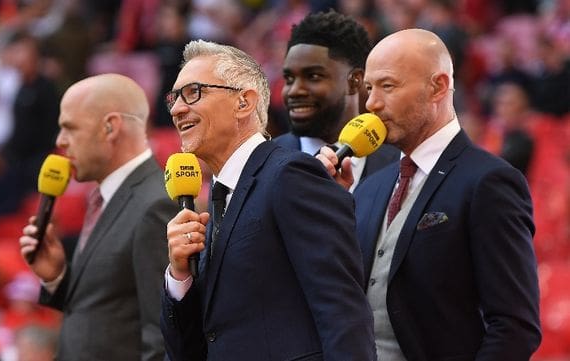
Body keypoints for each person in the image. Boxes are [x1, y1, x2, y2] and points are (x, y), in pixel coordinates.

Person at [318, 28, 541, 360]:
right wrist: (334, 209)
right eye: (368, 88)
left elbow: (514, 326)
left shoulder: (489, 181)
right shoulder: (370, 187)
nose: (371, 103)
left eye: (387, 86)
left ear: (437, 86)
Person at [160, 40, 375, 360]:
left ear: (244, 103)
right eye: (174, 97)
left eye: (194, 93)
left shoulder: (291, 175)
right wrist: (180, 277)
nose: (178, 108)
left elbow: (341, 310)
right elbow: (190, 348)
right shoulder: (209, 204)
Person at [18, 73, 177, 360]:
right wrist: (57, 277)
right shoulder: (105, 197)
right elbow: (105, 309)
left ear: (110, 127)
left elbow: (162, 335)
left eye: (69, 128)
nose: (60, 141)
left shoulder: (155, 204)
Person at [275, 10, 398, 190]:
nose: (294, 91)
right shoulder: (261, 163)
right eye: (289, 79)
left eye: (313, 76)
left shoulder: (398, 165)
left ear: (355, 81)